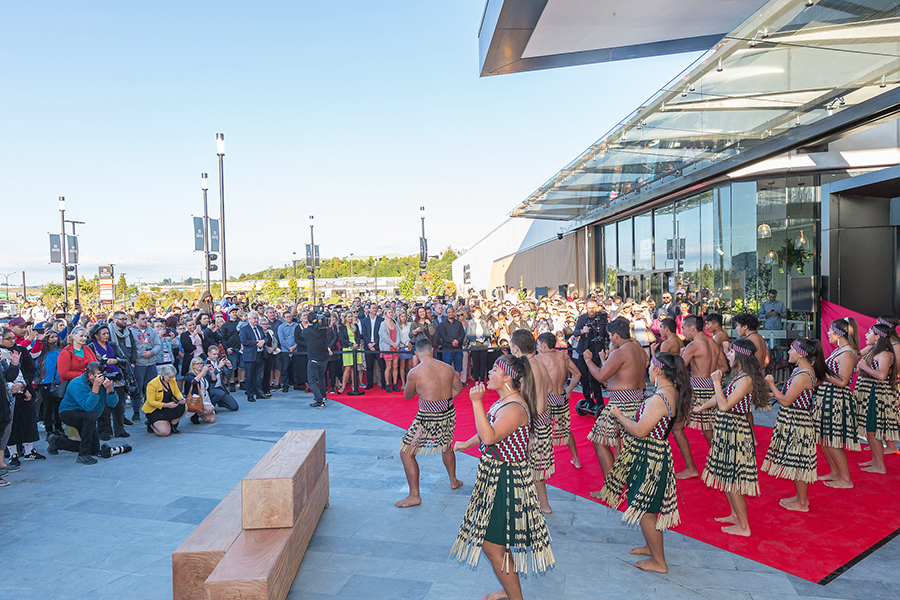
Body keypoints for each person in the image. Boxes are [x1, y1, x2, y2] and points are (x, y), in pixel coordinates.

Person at [451, 354, 553, 598]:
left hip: (505, 480)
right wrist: (467, 443)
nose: (489, 373)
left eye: (495, 369)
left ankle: (514, 596)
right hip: (496, 475)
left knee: (492, 545)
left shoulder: (515, 408)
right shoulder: (505, 403)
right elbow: (491, 428)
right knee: (497, 544)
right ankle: (509, 591)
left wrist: (476, 402)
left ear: (508, 377)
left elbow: (490, 437)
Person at [596, 352, 692, 573]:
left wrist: (619, 416)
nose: (648, 369)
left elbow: (640, 430)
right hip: (651, 452)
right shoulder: (669, 392)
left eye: (651, 366)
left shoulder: (660, 398)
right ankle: (651, 547)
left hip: (649, 455)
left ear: (658, 371)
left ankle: (659, 561)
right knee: (642, 504)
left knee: (645, 508)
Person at [695, 338, 769, 537]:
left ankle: (744, 526)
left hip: (735, 429)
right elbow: (722, 397)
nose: (727, 355)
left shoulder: (745, 380)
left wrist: (716, 381)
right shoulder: (739, 376)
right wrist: (701, 407)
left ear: (740, 355)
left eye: (730, 352)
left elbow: (725, 405)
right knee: (726, 474)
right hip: (727, 427)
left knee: (732, 477)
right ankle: (735, 516)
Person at [395, 339, 464, 508]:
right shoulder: (447, 368)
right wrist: (443, 400)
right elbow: (459, 388)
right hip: (448, 411)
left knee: (406, 452)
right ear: (432, 350)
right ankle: (453, 480)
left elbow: (408, 396)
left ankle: (414, 495)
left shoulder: (415, 372)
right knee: (446, 446)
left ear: (416, 353)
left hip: (428, 415)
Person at [762, 338, 823, 512]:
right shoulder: (800, 370)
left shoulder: (804, 374)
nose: (788, 352)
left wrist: (772, 385)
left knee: (798, 462)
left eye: (791, 349)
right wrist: (773, 395)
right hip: (794, 419)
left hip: (798, 421)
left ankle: (802, 503)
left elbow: (787, 400)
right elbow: (791, 395)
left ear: (802, 354)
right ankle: (800, 498)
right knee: (795, 460)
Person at [583, 319, 649, 482]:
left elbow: (600, 376)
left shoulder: (621, 352)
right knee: (627, 445)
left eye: (610, 336)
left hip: (621, 404)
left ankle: (611, 485)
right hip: (638, 400)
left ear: (617, 335)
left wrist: (588, 360)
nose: (609, 339)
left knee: (600, 441)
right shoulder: (638, 348)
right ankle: (624, 482)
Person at [674, 315, 726, 479]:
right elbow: (724, 367)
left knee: (677, 428)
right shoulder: (713, 343)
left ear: (692, 328)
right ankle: (721, 464)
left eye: (684, 328)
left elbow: (679, 370)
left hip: (697, 390)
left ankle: (692, 468)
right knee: (709, 429)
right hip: (711, 388)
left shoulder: (693, 345)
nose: (682, 331)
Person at [816, 317, 860, 489]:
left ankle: (846, 479)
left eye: (830, 330)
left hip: (837, 399)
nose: (827, 333)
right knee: (823, 439)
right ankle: (835, 472)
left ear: (840, 333)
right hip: (827, 397)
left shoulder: (848, 353)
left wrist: (820, 370)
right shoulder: (840, 350)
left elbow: (842, 381)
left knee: (832, 441)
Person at [854, 323, 900, 474]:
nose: (866, 335)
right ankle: (876, 461)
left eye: (869, 333)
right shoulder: (875, 351)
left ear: (878, 336)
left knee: (873, 431)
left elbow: (881, 375)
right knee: (870, 431)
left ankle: (880, 466)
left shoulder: (885, 354)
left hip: (876, 395)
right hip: (869, 394)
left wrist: (865, 367)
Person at [52, 362, 118, 464]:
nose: (101, 378)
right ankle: (83, 455)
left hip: (88, 414)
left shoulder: (102, 383)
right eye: (98, 376)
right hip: (69, 412)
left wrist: (110, 389)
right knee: (90, 416)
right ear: (90, 376)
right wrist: (95, 387)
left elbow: (113, 404)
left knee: (94, 449)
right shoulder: (77, 384)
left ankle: (57, 442)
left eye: (102, 375)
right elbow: (88, 407)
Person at [535, 332, 581, 469]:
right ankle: (576, 460)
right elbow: (577, 374)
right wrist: (569, 390)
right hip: (561, 396)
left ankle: (542, 462)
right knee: (566, 430)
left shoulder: (539, 358)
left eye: (538, 345)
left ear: (543, 345)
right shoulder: (564, 356)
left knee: (541, 429)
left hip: (546, 398)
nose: (537, 348)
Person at [88, 324, 129, 440]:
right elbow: (90, 364)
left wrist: (115, 360)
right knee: (103, 406)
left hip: (117, 378)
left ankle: (119, 429)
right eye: (103, 334)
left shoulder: (113, 345)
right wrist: (102, 363)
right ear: (96, 335)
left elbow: (124, 359)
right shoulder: (91, 347)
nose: (106, 336)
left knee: (119, 405)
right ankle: (104, 431)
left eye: (107, 333)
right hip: (101, 379)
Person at [572, 300, 608, 412]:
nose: (591, 310)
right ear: (586, 308)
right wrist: (582, 331)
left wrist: (606, 347)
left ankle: (599, 401)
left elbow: (606, 334)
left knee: (594, 377)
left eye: (593, 308)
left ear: (596, 307)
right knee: (583, 376)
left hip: (596, 350)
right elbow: (575, 332)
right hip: (584, 350)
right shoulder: (582, 318)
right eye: (589, 308)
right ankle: (588, 400)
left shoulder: (602, 319)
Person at [301, 312, 339, 408]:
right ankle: (323, 396)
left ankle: (319, 400)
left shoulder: (306, 331)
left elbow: (303, 335)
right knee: (321, 376)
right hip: (324, 358)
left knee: (312, 380)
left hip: (313, 358)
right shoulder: (322, 331)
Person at [131, 310, 162, 418]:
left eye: (146, 319)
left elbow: (158, 345)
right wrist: (141, 354)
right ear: (136, 319)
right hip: (139, 364)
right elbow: (130, 348)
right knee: (137, 389)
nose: (145, 321)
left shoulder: (152, 331)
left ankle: (150, 412)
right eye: (143, 319)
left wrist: (151, 352)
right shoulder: (131, 331)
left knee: (150, 388)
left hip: (151, 363)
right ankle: (136, 411)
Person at [142, 364, 185, 436]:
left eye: (173, 377)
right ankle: (151, 425)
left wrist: (181, 398)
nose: (171, 379)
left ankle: (172, 425)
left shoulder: (172, 380)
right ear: (162, 374)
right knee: (164, 433)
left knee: (185, 406)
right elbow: (150, 402)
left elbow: (176, 392)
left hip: (169, 405)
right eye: (169, 377)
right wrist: (166, 405)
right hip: (155, 409)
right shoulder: (152, 384)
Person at [239, 311, 267, 403]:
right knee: (250, 376)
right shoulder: (244, 329)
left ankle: (259, 393)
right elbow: (244, 341)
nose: (256, 320)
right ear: (249, 319)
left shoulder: (259, 328)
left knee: (259, 376)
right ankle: (250, 395)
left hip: (260, 355)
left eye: (257, 318)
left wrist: (263, 341)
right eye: (254, 318)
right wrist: (256, 343)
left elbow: (265, 337)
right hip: (250, 356)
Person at [203, 345, 239, 411]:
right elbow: (210, 378)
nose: (216, 356)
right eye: (214, 354)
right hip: (210, 388)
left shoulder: (218, 362)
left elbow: (228, 375)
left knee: (234, 407)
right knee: (220, 393)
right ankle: (211, 405)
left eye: (217, 354)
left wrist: (230, 367)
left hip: (220, 388)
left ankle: (219, 401)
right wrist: (218, 368)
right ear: (208, 354)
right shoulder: (204, 364)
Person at [183, 358, 218, 425]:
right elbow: (194, 382)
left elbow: (213, 381)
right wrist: (203, 371)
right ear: (193, 366)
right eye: (197, 364)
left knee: (211, 420)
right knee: (211, 408)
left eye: (201, 363)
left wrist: (212, 373)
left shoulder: (204, 375)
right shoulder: (189, 375)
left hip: (205, 397)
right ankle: (196, 412)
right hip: (196, 399)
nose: (200, 365)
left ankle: (198, 413)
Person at [359, 304, 385, 389]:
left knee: (382, 366)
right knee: (369, 366)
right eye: (373, 308)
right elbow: (364, 334)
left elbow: (381, 334)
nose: (374, 310)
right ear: (369, 309)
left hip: (378, 346)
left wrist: (374, 343)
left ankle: (383, 383)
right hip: (368, 347)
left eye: (376, 308)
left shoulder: (381, 320)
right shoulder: (364, 321)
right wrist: (369, 344)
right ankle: (370, 383)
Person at [437, 306, 466, 379]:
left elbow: (462, 334)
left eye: (452, 312)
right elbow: (443, 335)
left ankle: (457, 384)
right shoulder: (442, 324)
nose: (451, 314)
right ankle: (448, 384)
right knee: (447, 368)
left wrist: (457, 341)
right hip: (447, 349)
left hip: (458, 348)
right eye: (449, 312)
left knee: (458, 367)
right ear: (446, 314)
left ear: (454, 313)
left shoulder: (459, 323)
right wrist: (452, 341)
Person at [466, 307, 491, 384]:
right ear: (473, 313)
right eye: (476, 312)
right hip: (474, 345)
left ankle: (482, 381)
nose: (478, 314)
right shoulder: (470, 323)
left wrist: (484, 338)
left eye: (479, 313)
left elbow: (488, 334)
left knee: (483, 363)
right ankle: (476, 380)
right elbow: (468, 335)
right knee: (476, 363)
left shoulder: (484, 322)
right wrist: (476, 339)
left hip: (483, 345)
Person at [338, 312, 361, 394]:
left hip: (356, 348)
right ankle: (343, 387)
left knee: (354, 368)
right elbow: (342, 338)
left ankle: (354, 385)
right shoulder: (342, 327)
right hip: (347, 348)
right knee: (347, 368)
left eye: (351, 317)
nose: (350, 318)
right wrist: (351, 344)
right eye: (348, 317)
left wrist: (357, 344)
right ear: (345, 318)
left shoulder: (355, 326)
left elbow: (358, 336)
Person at [379, 310, 402, 392]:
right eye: (389, 312)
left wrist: (397, 343)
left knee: (395, 366)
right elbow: (384, 337)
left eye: (392, 312)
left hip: (395, 347)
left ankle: (395, 384)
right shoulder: (383, 324)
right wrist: (393, 344)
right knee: (388, 367)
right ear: (385, 314)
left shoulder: (395, 322)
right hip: (388, 348)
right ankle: (387, 384)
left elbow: (398, 334)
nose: (391, 314)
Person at [277, 310, 299, 393]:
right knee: (285, 369)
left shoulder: (297, 326)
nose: (289, 318)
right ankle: (285, 385)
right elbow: (281, 339)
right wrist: (289, 348)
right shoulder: (281, 327)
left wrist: (294, 347)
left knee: (296, 368)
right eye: (287, 317)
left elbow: (299, 337)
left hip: (296, 350)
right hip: (285, 351)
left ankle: (296, 384)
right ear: (284, 318)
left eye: (290, 316)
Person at [396, 309, 413, 389]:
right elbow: (398, 337)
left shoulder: (409, 324)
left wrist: (410, 344)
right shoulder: (397, 326)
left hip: (409, 347)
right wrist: (406, 344)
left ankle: (410, 383)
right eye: (402, 316)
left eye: (404, 316)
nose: (403, 318)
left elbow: (411, 335)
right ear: (399, 317)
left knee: (410, 366)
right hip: (402, 347)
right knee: (402, 366)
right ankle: (403, 383)